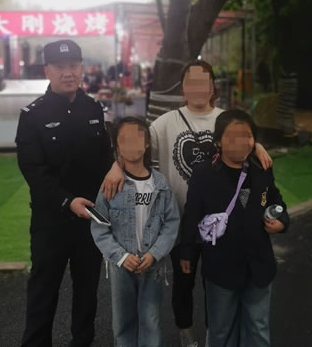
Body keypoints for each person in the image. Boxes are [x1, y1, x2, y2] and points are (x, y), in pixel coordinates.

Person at [102, 60, 273, 347]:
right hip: (182, 223)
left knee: (218, 285)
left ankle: (212, 336)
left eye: (203, 82)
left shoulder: (225, 118)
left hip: (223, 226)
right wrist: (116, 165)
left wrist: (256, 145)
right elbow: (135, 143)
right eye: (190, 82)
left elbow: (244, 136)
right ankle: (186, 336)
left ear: (212, 86)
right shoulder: (166, 123)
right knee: (184, 283)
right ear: (182, 88)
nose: (197, 88)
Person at [15, 39, 114, 347]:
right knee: (43, 291)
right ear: (47, 70)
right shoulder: (33, 115)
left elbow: (104, 156)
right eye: (60, 67)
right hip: (51, 220)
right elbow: (33, 170)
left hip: (90, 219)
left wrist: (115, 167)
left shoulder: (93, 108)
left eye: (73, 65)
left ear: (81, 67)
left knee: (87, 291)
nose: (68, 72)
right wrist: (67, 201)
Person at [181, 109, 289, 347]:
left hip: (259, 266)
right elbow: (192, 214)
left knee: (258, 330)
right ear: (218, 141)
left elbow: (275, 200)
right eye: (232, 136)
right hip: (221, 268)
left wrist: (282, 220)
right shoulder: (204, 173)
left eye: (247, 136)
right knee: (221, 331)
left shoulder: (261, 167)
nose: (241, 142)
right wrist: (187, 251)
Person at [91, 117, 180, 346]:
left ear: (147, 143)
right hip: (121, 265)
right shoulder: (110, 185)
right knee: (123, 321)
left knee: (151, 318)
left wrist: (155, 254)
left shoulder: (160, 184)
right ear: (117, 146)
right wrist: (120, 256)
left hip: (153, 265)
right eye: (125, 140)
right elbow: (99, 226)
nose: (131, 145)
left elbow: (171, 223)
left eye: (137, 139)